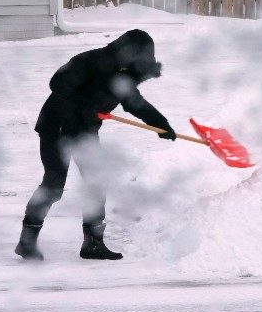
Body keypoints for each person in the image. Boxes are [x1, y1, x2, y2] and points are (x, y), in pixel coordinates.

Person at [15, 29, 177, 261]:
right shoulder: (90, 61)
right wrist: (85, 106)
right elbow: (58, 82)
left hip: (84, 132)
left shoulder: (125, 76)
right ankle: (26, 242)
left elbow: (135, 103)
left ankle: (93, 244)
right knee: (53, 185)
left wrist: (161, 124)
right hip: (57, 126)